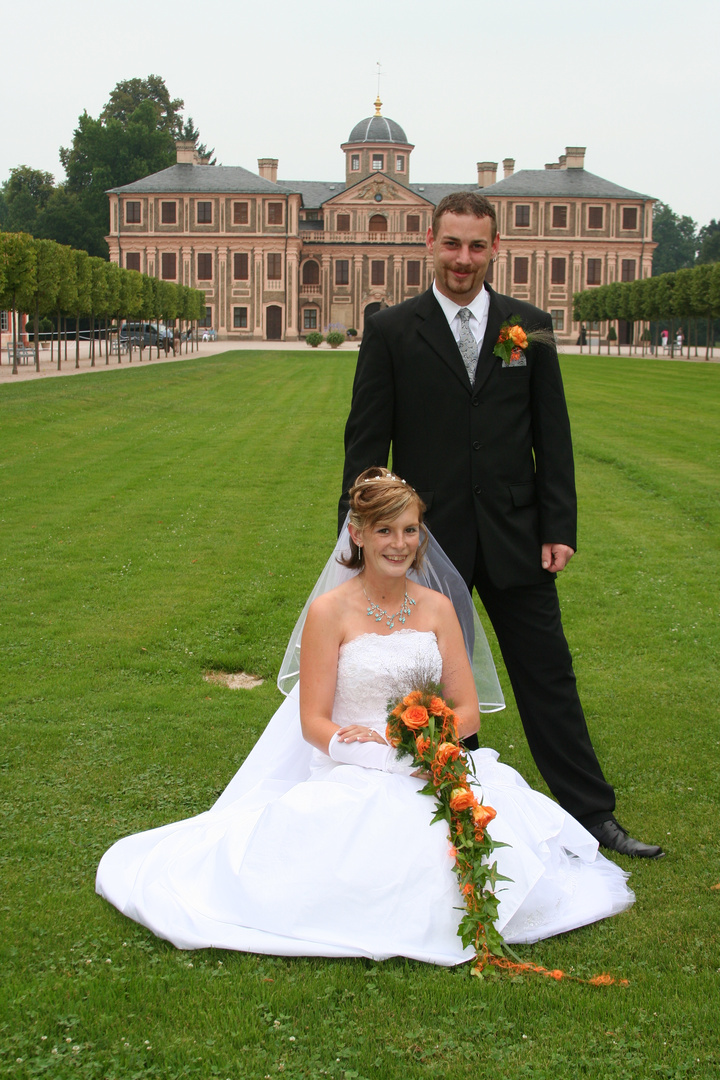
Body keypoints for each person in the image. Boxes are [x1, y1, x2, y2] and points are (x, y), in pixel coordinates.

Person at [96, 469, 634, 961]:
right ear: (357, 534)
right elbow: (313, 721)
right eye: (385, 531)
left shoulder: (439, 609)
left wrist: (428, 745)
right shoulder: (330, 612)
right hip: (352, 766)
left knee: (477, 843)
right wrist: (370, 749)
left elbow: (468, 710)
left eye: (410, 530)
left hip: (432, 761)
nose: (399, 544)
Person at [340, 192, 663, 859]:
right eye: (452, 244)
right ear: (430, 243)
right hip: (427, 545)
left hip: (518, 536)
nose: (463, 259)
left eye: (476, 246)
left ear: (495, 249)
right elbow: (367, 442)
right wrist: (364, 534)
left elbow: (554, 435)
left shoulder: (530, 326)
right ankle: (458, 813)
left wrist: (560, 526)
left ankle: (593, 817)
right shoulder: (394, 330)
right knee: (439, 688)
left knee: (549, 675)